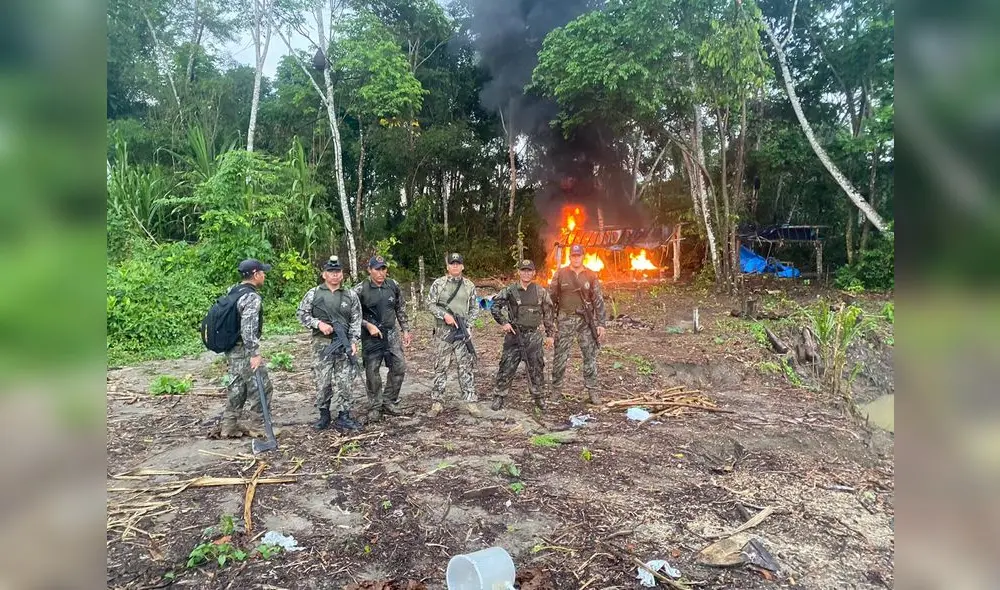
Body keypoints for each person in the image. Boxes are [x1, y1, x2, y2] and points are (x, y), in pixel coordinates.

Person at [296, 255, 363, 431]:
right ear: (324, 274)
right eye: (331, 272)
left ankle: (344, 415)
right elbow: (301, 314)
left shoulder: (350, 295)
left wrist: (354, 341)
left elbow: (356, 320)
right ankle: (324, 415)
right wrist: (318, 324)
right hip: (321, 344)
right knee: (322, 380)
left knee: (345, 380)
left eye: (338, 272)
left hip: (344, 344)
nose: (335, 275)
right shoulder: (314, 293)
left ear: (342, 274)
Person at [352, 255, 413, 422]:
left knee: (399, 366)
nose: (381, 272)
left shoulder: (393, 285)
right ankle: (375, 406)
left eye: (383, 269)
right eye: (377, 269)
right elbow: (353, 314)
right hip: (371, 335)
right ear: (370, 270)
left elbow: (400, 308)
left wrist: (406, 329)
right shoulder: (360, 290)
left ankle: (389, 400)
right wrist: (367, 325)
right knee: (372, 371)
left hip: (391, 332)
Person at [489, 259, 555, 411]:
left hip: (533, 336)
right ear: (519, 272)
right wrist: (504, 322)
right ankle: (499, 396)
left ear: (533, 273)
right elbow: (495, 306)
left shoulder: (541, 292)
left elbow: (548, 314)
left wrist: (550, 335)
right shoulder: (510, 290)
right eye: (523, 270)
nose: (526, 273)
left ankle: (539, 398)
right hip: (514, 335)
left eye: (529, 270)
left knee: (537, 368)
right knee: (507, 366)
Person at [221, 259, 275, 438]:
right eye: (262, 272)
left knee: (237, 386)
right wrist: (254, 353)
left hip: (231, 348)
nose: (264, 275)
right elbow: (248, 328)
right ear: (256, 274)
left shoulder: (233, 291)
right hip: (244, 349)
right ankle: (259, 426)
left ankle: (229, 425)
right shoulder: (251, 297)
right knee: (262, 386)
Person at [549, 244, 608, 404]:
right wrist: (550, 323)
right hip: (564, 320)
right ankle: (556, 390)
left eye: (579, 255)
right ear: (570, 257)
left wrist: (601, 323)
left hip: (585, 323)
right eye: (573, 256)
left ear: (583, 256)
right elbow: (551, 299)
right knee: (560, 357)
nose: (576, 258)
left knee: (590, 357)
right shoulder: (560, 274)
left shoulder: (590, 275)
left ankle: (593, 391)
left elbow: (598, 300)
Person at [426, 252, 480, 417]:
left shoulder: (469, 285)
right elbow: (430, 304)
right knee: (440, 367)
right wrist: (445, 316)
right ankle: (437, 403)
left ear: (462, 266)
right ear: (447, 266)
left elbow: (474, 308)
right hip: (443, 331)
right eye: (452, 263)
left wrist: (468, 326)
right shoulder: (439, 284)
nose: (455, 266)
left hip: (462, 331)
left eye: (458, 263)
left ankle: (471, 402)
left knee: (466, 367)